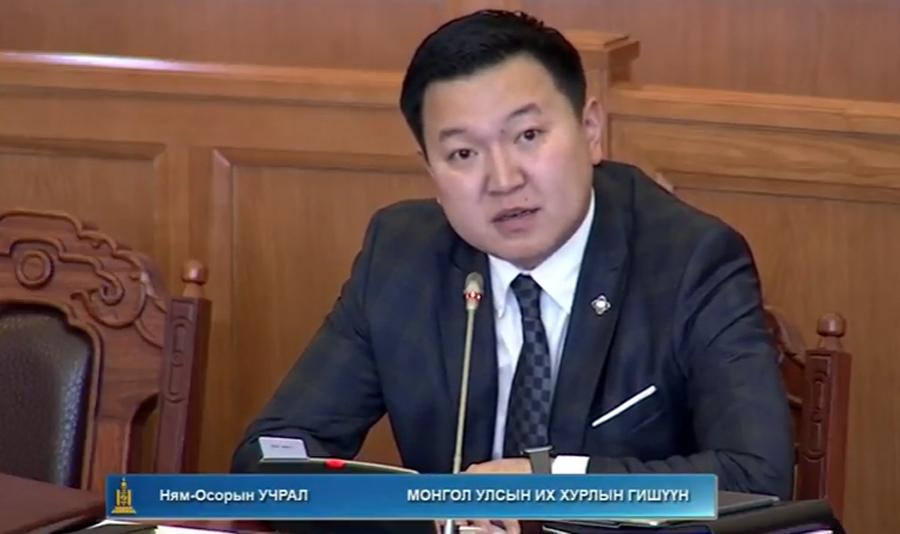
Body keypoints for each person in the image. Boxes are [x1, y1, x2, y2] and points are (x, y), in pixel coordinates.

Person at [232, 7, 793, 512]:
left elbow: (755, 478)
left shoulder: (693, 261)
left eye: (527, 135)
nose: (503, 180)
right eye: (463, 153)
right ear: (430, 171)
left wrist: (545, 486)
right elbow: (275, 449)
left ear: (591, 131)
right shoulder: (401, 254)